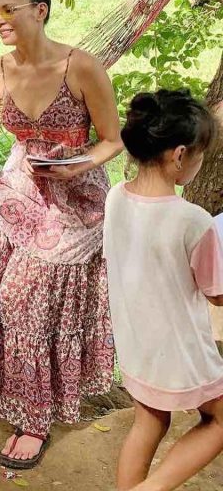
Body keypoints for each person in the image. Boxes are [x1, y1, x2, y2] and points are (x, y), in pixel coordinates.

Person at [0, 0, 123, 469]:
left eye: (9, 9)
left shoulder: (81, 67)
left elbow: (113, 139)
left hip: (75, 192)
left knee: (24, 289)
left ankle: (33, 414)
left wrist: (76, 165)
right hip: (23, 180)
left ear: (39, 11)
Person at [104, 89, 223, 491]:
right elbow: (216, 294)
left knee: (150, 419)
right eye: (201, 153)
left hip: (136, 345)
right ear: (179, 156)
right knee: (220, 419)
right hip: (180, 352)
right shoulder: (193, 220)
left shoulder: (115, 198)